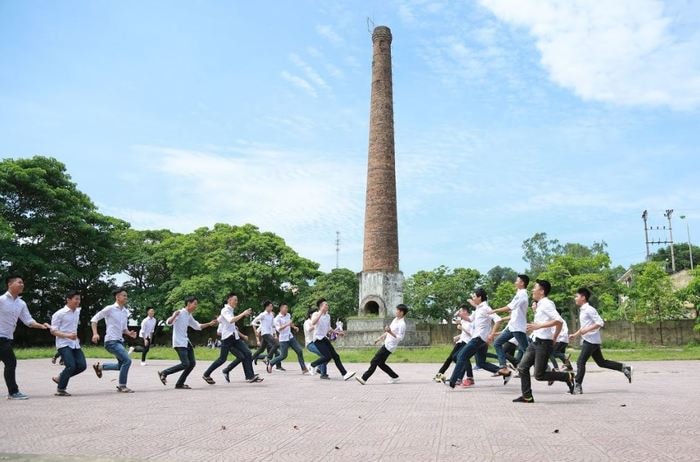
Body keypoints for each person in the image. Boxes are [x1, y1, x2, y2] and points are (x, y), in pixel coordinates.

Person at [512, 280, 575, 403]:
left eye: (535, 288)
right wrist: (554, 336)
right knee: (523, 368)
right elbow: (553, 322)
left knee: (539, 375)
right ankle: (527, 396)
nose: (532, 290)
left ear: (542, 291)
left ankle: (567, 376)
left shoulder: (547, 303)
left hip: (543, 344)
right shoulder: (540, 304)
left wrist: (540, 327)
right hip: (535, 342)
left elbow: (559, 321)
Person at [569, 287, 633, 394]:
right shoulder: (583, 310)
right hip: (591, 340)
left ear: (583, 297)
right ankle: (625, 368)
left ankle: (577, 386)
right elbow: (584, 327)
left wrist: (587, 330)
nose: (575, 298)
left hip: (591, 341)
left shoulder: (589, 309)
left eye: (577, 296)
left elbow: (600, 322)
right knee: (601, 362)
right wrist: (575, 335)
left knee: (580, 361)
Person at [0, 275, 50, 400]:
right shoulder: (1, 300)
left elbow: (28, 321)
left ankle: (13, 392)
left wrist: (42, 326)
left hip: (7, 338)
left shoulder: (21, 303)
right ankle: (13, 392)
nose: (22, 285)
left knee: (10, 363)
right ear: (10, 284)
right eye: (19, 282)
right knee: (11, 362)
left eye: (23, 283)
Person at [157, 296, 217, 389]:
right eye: (195, 304)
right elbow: (168, 322)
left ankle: (180, 384)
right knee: (185, 364)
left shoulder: (189, 315)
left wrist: (209, 324)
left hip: (186, 342)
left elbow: (197, 326)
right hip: (179, 342)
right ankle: (164, 373)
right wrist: (174, 316)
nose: (196, 306)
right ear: (189, 304)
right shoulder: (179, 313)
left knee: (192, 363)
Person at [447, 289, 503, 389]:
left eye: (474, 296)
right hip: (480, 339)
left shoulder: (486, 308)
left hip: (479, 338)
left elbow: (498, 320)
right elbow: (470, 319)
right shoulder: (478, 308)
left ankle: (453, 381)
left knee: (461, 356)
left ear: (479, 297)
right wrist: (461, 316)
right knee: (481, 363)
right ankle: (504, 372)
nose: (473, 298)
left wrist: (492, 334)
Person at [202, 293, 262, 384]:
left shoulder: (229, 311)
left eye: (237, 300)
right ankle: (206, 374)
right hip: (227, 338)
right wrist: (243, 313)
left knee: (248, 353)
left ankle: (250, 376)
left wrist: (215, 322)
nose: (236, 302)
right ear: (229, 300)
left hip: (234, 337)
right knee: (222, 359)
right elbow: (231, 320)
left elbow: (219, 320)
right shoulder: (225, 310)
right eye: (235, 300)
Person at [90, 287, 138, 393]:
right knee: (127, 361)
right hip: (111, 341)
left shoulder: (125, 311)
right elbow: (94, 319)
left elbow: (124, 329)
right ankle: (122, 386)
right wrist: (95, 333)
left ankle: (100, 367)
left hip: (119, 341)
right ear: (117, 297)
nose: (126, 297)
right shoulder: (109, 309)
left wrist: (129, 333)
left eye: (126, 295)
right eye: (124, 295)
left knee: (121, 365)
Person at [491, 274, 530, 381]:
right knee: (497, 343)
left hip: (518, 327)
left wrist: (495, 310)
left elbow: (510, 306)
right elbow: (512, 309)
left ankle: (545, 367)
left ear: (522, 283)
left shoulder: (522, 294)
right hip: (512, 326)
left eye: (517, 281)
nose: (515, 282)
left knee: (527, 350)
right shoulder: (519, 293)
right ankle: (503, 367)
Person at [356, 304, 407, 385]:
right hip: (387, 344)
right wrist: (379, 339)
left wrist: (390, 332)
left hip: (390, 346)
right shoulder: (395, 320)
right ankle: (395, 377)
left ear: (401, 312)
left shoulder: (402, 324)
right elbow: (388, 331)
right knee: (380, 363)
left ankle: (364, 378)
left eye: (397, 310)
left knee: (374, 361)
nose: (396, 311)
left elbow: (400, 338)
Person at [49, 290, 86, 396]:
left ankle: (61, 377)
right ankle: (61, 389)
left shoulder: (77, 311)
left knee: (82, 365)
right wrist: (67, 335)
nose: (78, 301)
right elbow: (53, 331)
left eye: (79, 299)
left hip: (75, 343)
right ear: (68, 300)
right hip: (63, 343)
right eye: (76, 299)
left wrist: (74, 337)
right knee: (71, 366)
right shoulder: (59, 314)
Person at [310, 298, 355, 381]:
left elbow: (328, 328)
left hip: (324, 338)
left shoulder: (327, 316)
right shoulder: (316, 314)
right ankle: (313, 365)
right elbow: (313, 323)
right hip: (317, 339)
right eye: (325, 305)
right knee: (327, 356)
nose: (327, 306)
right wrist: (320, 312)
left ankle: (344, 374)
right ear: (320, 307)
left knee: (336, 356)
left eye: (327, 305)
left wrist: (337, 332)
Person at [434, 305, 472, 384]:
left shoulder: (471, 320)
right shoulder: (463, 320)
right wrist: (458, 337)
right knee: (450, 358)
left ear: (465, 311)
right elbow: (464, 332)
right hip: (461, 341)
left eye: (461, 311)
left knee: (458, 358)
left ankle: (462, 377)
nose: (459, 313)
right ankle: (439, 375)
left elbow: (472, 334)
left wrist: (462, 329)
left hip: (467, 343)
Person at [269, 303, 308, 374]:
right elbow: (279, 329)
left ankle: (304, 368)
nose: (287, 309)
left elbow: (290, 323)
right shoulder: (277, 318)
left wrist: (294, 327)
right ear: (281, 309)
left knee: (299, 350)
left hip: (290, 337)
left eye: (287, 308)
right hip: (283, 339)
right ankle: (271, 363)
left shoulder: (288, 315)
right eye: (285, 308)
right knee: (283, 355)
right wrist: (287, 324)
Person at [250, 301, 281, 373]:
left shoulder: (271, 315)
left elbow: (272, 326)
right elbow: (253, 322)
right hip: (265, 333)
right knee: (277, 344)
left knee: (261, 350)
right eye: (270, 306)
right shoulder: (262, 315)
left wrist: (275, 335)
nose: (272, 307)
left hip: (269, 333)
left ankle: (250, 359)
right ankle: (268, 358)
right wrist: (259, 328)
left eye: (272, 306)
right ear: (266, 307)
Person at [303, 307, 327, 377]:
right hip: (310, 344)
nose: (317, 315)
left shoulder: (318, 321)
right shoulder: (307, 322)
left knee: (328, 355)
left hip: (317, 342)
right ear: (311, 315)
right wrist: (315, 325)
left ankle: (319, 368)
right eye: (315, 313)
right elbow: (308, 329)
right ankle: (322, 373)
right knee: (324, 355)